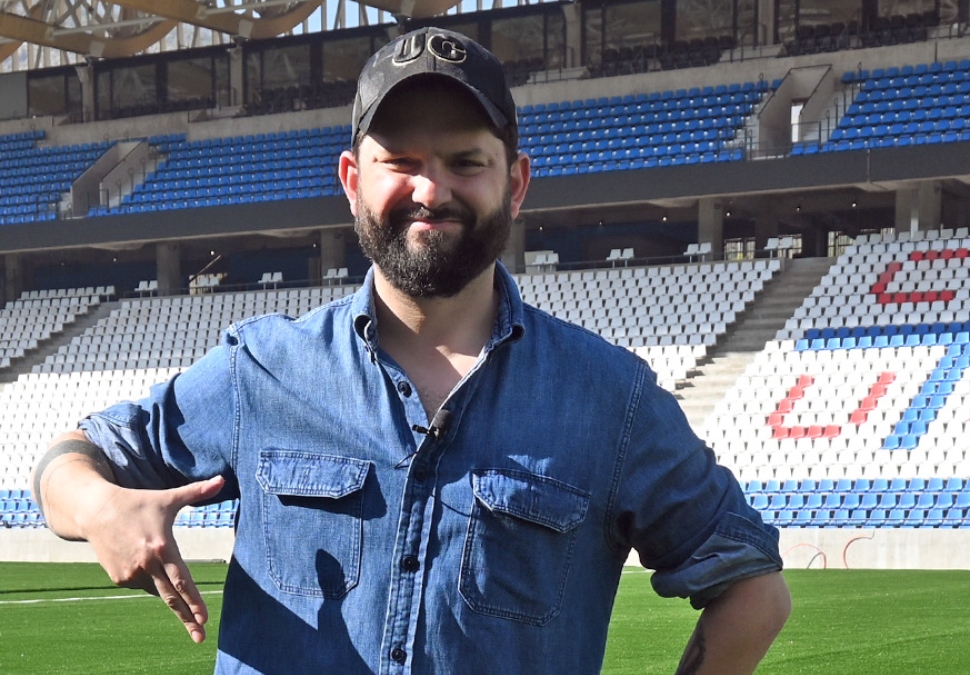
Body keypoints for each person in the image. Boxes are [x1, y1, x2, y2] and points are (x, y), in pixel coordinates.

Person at [32, 26, 791, 674]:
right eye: (400, 161)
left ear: (517, 183)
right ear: (352, 179)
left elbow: (754, 588)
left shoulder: (610, 397)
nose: (431, 189)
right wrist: (101, 506)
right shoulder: (261, 368)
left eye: (466, 161)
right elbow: (70, 458)